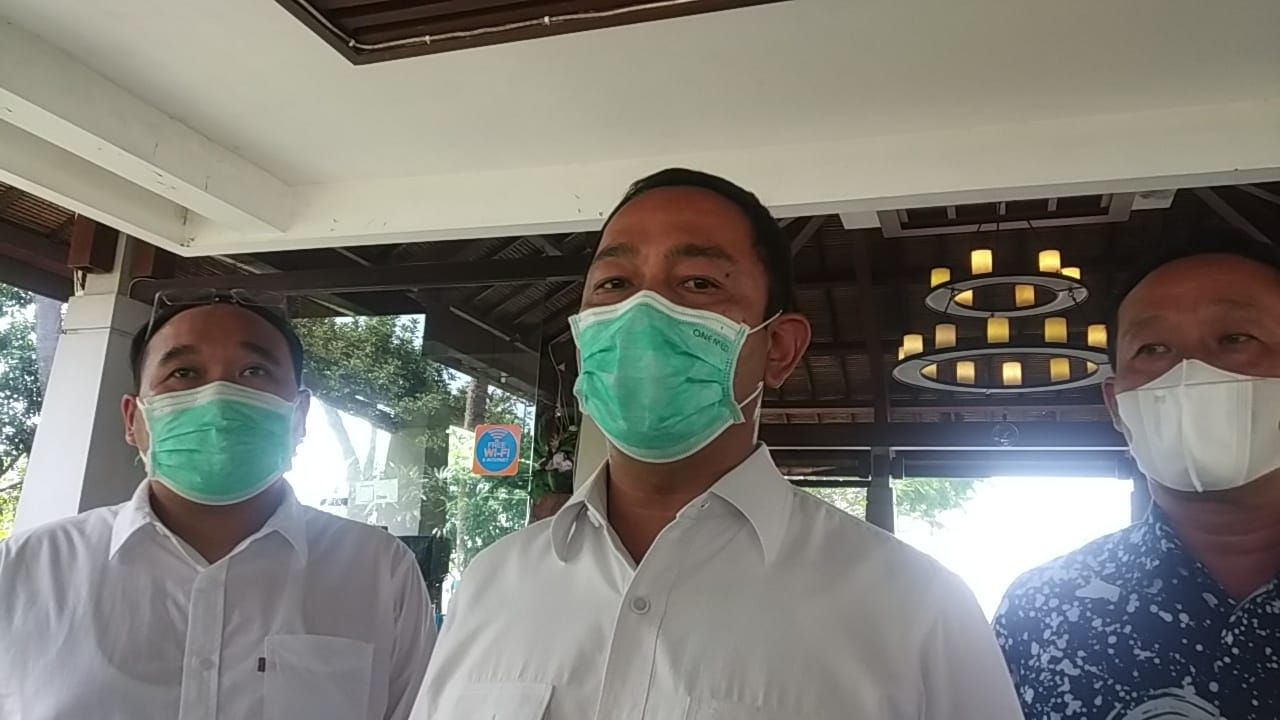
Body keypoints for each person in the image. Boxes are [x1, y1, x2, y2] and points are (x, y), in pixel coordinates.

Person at [413, 169, 1024, 719]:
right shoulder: (492, 585)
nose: (642, 312)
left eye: (698, 283)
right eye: (614, 282)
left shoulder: (915, 610)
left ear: (778, 348)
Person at [0, 294, 436, 720]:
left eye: (254, 371)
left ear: (299, 416)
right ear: (134, 419)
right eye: (183, 372)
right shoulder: (24, 570)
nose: (218, 398)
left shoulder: (379, 572)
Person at [993, 228, 1280, 719]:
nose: (1190, 371)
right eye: (1152, 349)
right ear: (1116, 405)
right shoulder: (1041, 609)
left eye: (1235, 338)